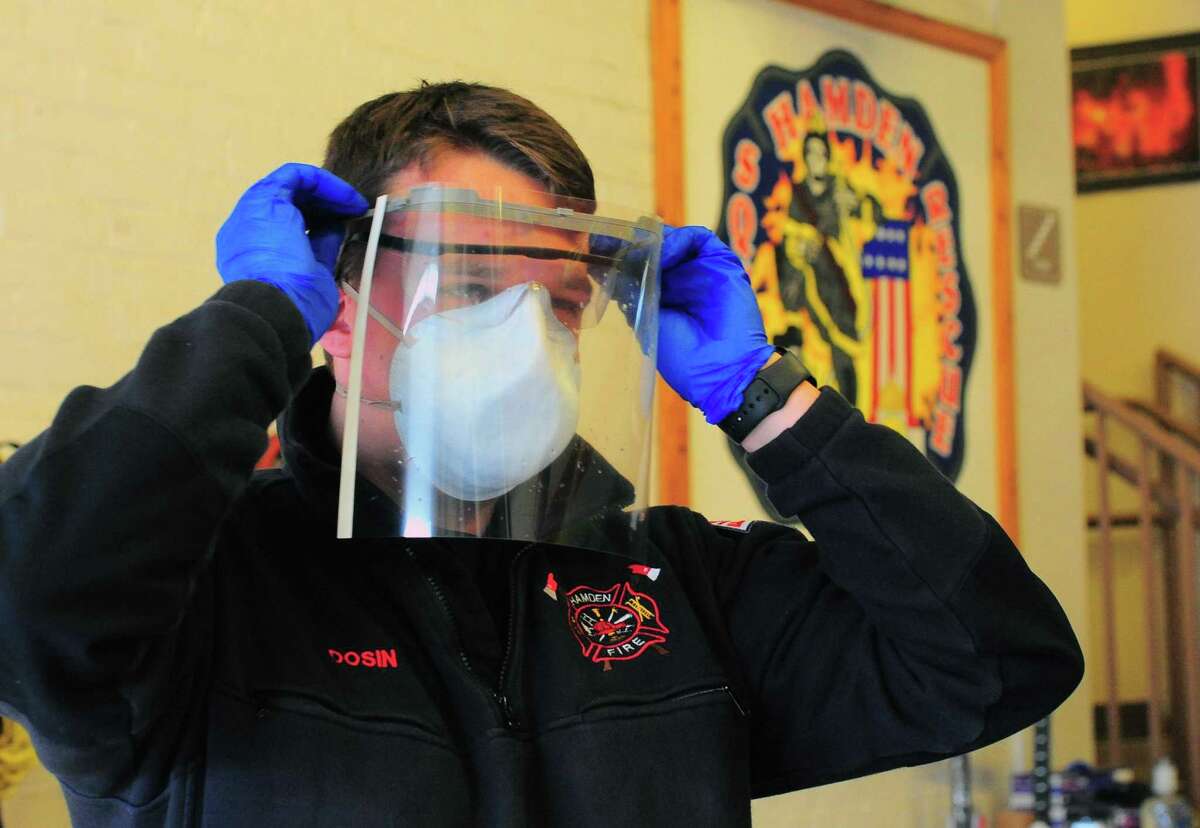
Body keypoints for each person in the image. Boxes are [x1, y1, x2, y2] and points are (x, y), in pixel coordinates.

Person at [0, 82, 1082, 827]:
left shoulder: (674, 584)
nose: (526, 344)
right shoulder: (207, 589)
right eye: (472, 288)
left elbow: (995, 662)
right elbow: (28, 601)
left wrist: (766, 402)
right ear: (335, 304)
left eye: (562, 307)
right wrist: (252, 323)